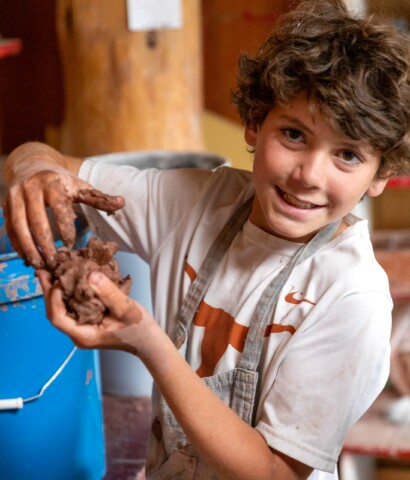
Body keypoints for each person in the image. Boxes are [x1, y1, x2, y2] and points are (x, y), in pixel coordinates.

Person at [3, 0, 410, 478]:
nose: (309, 176)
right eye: (294, 135)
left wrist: (147, 342)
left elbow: (273, 473)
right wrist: (30, 170)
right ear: (255, 123)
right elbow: (47, 161)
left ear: (381, 173)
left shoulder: (351, 296)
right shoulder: (196, 202)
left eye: (346, 155)